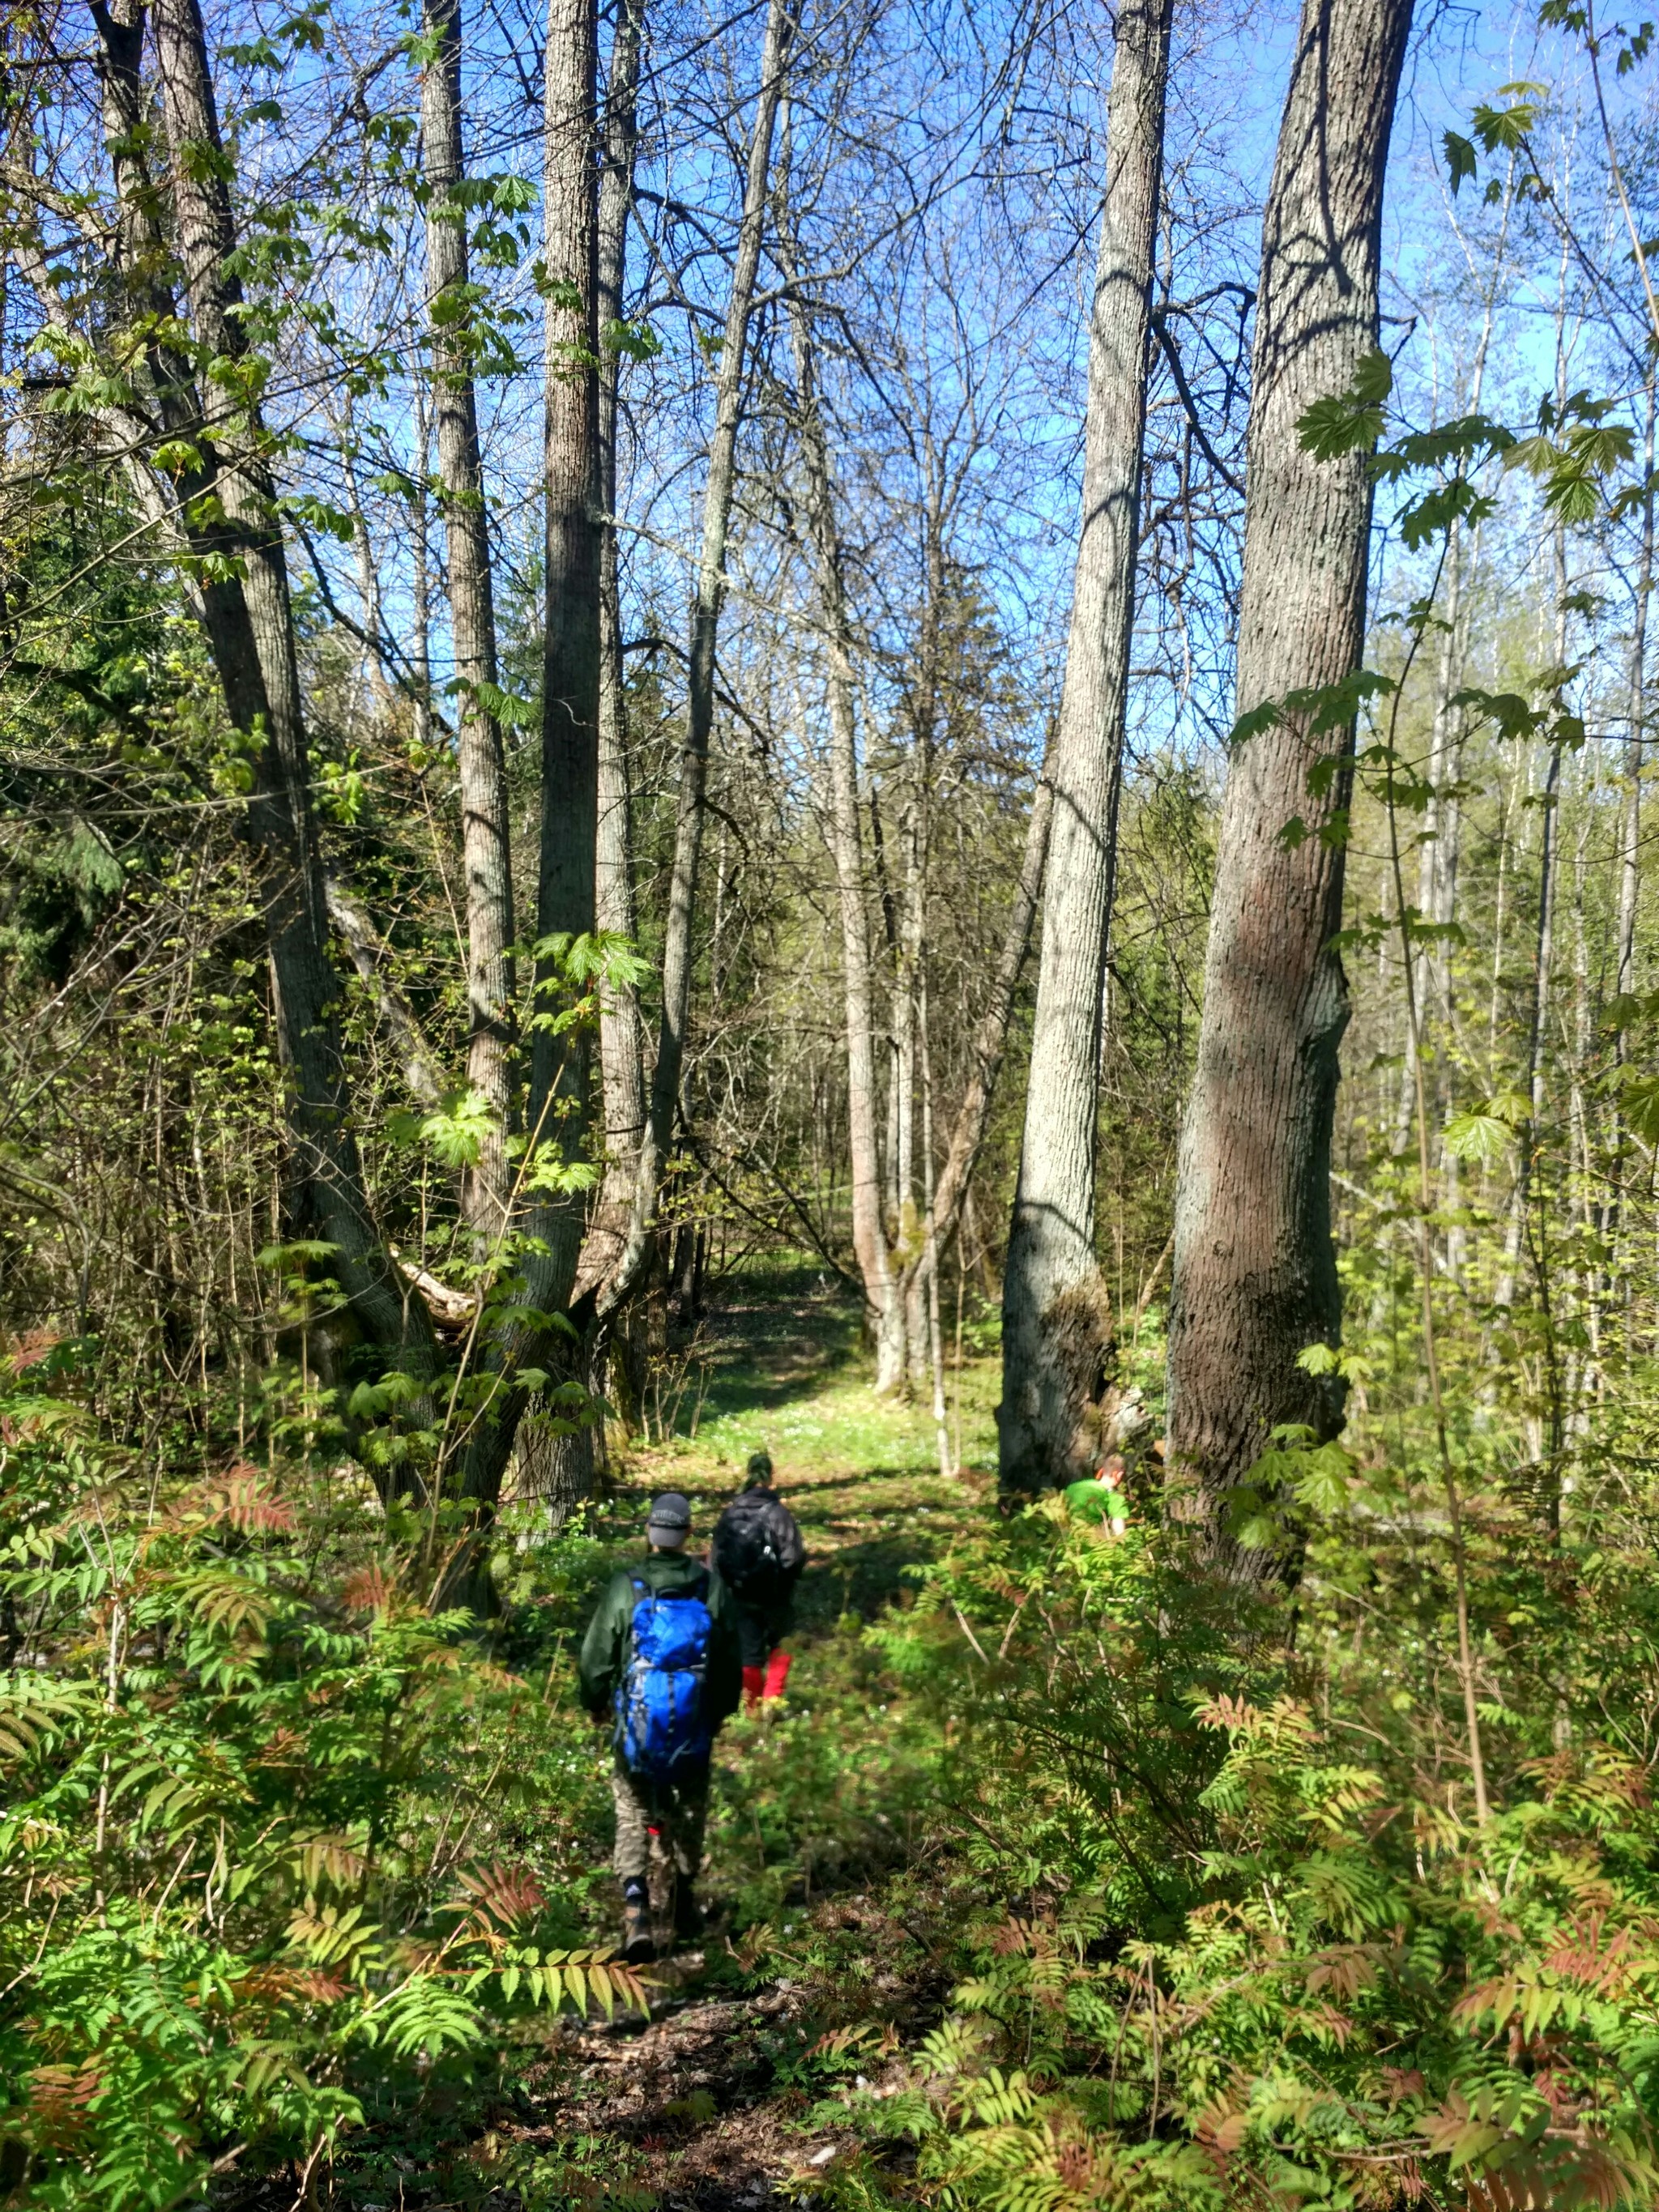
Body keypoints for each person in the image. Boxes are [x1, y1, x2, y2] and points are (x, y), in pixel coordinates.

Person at [578, 1490, 741, 1963]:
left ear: (649, 1533)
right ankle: (684, 1906)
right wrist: (719, 1713)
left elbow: (595, 1658)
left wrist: (594, 1704)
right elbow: (730, 1661)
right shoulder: (710, 1588)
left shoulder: (626, 1586)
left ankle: (636, 1912)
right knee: (690, 1811)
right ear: (689, 1534)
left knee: (632, 1813)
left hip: (637, 1728)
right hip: (693, 1728)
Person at [711, 1450, 806, 1706]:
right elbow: (793, 1557)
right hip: (775, 1596)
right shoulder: (777, 1513)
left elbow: (716, 1559)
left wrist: (730, 1587)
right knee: (782, 1644)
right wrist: (783, 1581)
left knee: (749, 1655)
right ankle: (772, 1701)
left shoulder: (730, 1514)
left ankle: (750, 1707)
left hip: (740, 1596)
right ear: (771, 1476)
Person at [1061, 1455, 1128, 1535]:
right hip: (1087, 1535)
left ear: (1102, 1470)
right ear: (1119, 1474)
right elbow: (1119, 1527)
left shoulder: (1076, 1486)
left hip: (1062, 1530)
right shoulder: (1115, 1498)